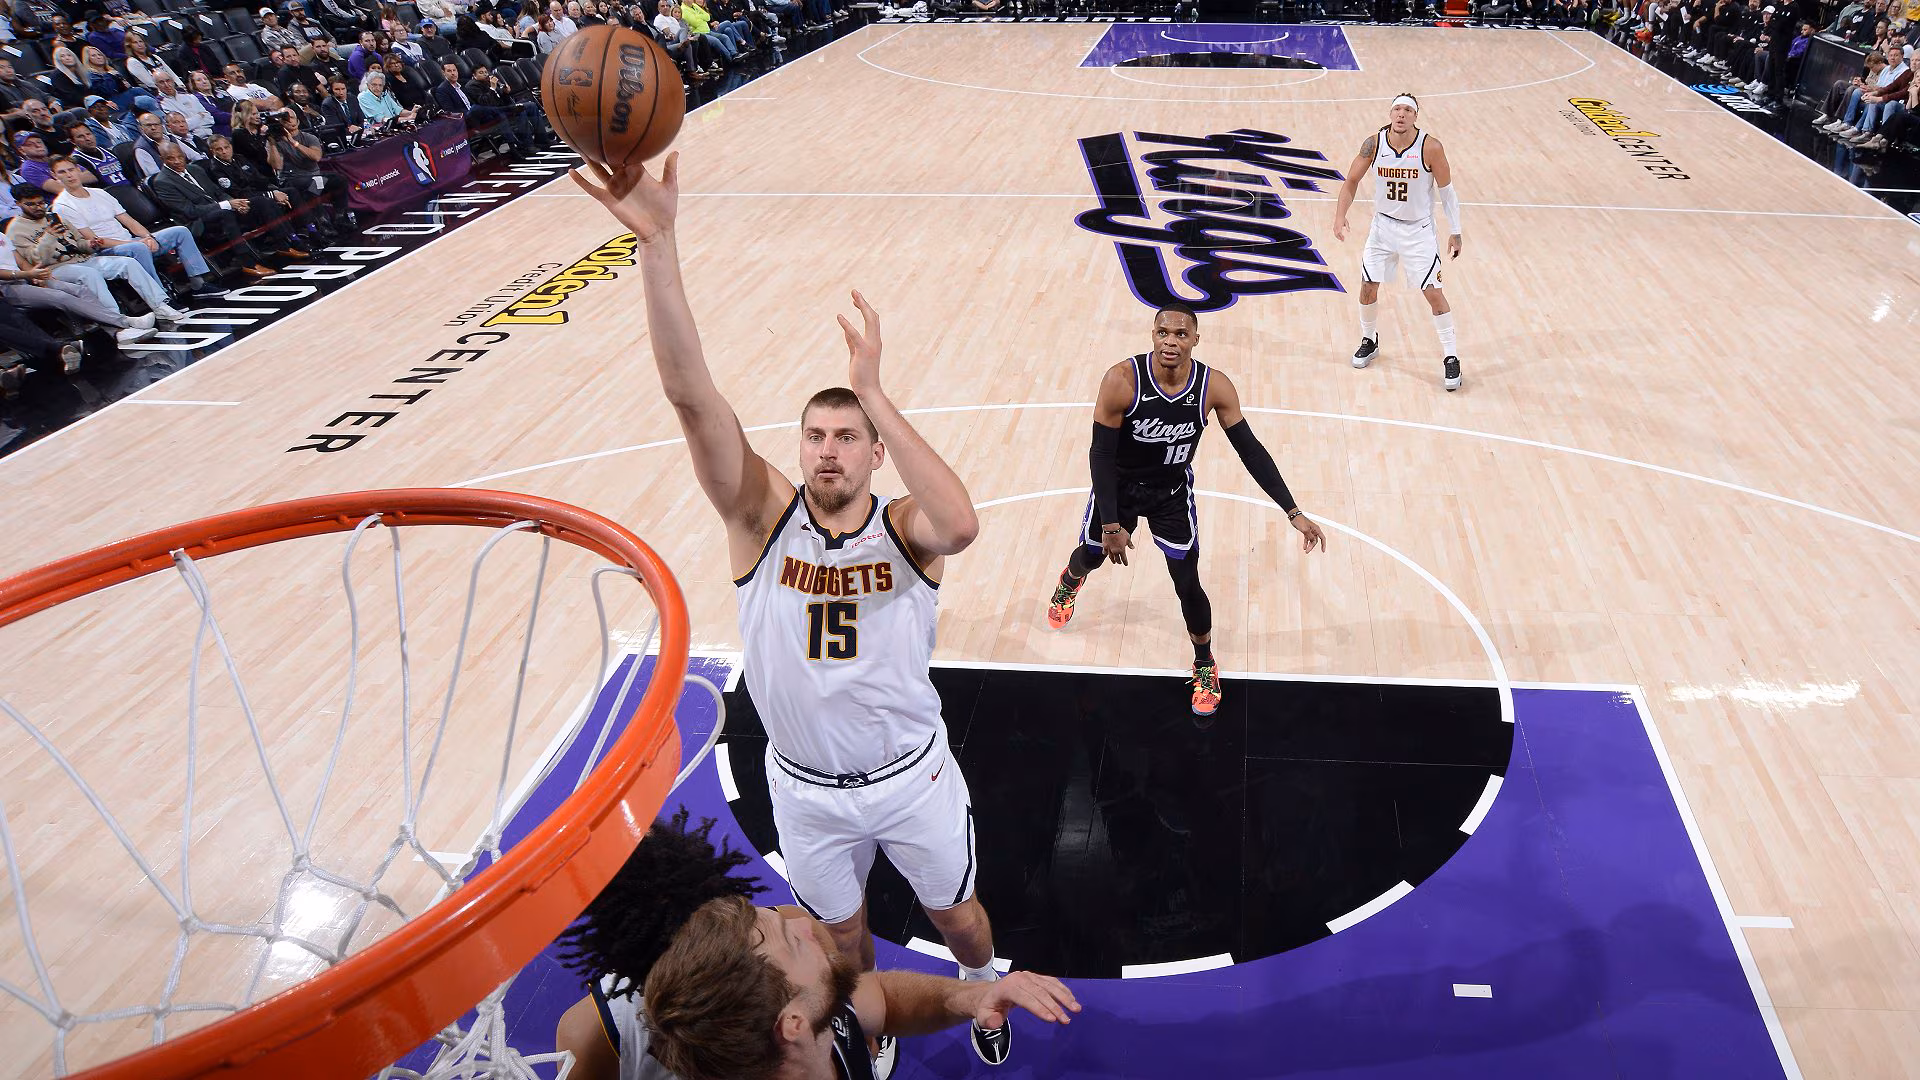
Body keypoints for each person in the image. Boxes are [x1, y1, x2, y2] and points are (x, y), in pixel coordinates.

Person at [573, 152, 1015, 1072]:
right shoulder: (760, 520)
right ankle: (867, 1027)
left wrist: (875, 391)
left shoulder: (905, 530)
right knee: (842, 943)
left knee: (960, 921)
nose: (828, 450)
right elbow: (691, 397)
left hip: (911, 775)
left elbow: (964, 524)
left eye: (848, 436)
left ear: (875, 452)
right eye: (815, 435)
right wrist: (659, 244)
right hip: (807, 790)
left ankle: (987, 984)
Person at [550, 809, 1081, 1080]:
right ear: (793, 1025)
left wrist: (969, 998)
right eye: (791, 940)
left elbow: (880, 999)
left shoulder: (791, 1010)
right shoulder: (598, 1039)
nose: (803, 923)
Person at [1043, 303, 1326, 715]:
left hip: (1170, 493)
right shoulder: (1122, 380)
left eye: (1180, 334)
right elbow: (1100, 454)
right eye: (1163, 333)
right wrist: (1111, 524)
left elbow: (1250, 450)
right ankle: (1070, 581)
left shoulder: (1214, 387)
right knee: (1091, 555)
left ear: (1195, 339)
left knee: (1187, 582)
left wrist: (1292, 510)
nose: (1170, 341)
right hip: (1120, 488)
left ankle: (1204, 664)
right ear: (1152, 335)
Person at [1332, 93, 1465, 392]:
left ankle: (1451, 356)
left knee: (1433, 293)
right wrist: (1340, 215)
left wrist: (1455, 231)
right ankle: (1370, 339)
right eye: (1397, 109)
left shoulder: (1430, 147)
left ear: (1416, 116)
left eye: (1407, 110)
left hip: (1418, 231)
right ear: (1390, 113)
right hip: (1383, 227)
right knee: (1368, 287)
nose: (1401, 114)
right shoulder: (1374, 144)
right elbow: (1351, 181)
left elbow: (1447, 192)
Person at [48, 156, 231, 294]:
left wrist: (148, 237)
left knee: (180, 232)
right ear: (54, 176)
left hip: (133, 241)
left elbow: (129, 221)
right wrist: (136, 243)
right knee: (139, 248)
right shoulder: (63, 206)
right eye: (62, 172)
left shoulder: (100, 193)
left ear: (78, 170)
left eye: (71, 169)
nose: (69, 175)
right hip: (106, 250)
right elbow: (94, 240)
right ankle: (161, 294)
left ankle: (199, 284)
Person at [6, 184, 188, 320]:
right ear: (18, 204)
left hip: (81, 259)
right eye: (31, 204)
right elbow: (36, 260)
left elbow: (78, 242)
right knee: (89, 274)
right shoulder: (15, 230)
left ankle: (160, 305)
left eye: (40, 203)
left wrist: (91, 244)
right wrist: (48, 237)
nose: (38, 207)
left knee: (128, 263)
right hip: (55, 269)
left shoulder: (54, 217)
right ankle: (117, 320)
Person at [0, 229, 159, 348]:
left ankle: (119, 332)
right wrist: (27, 274)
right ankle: (124, 322)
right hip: (7, 288)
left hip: (26, 277)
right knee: (61, 297)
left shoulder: (2, 235)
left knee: (81, 290)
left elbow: (21, 262)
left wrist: (35, 276)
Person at [145, 143, 278, 277]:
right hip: (197, 222)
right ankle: (248, 263)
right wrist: (227, 205)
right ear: (162, 159)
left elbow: (218, 192)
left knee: (260, 201)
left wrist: (237, 203)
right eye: (171, 158)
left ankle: (284, 243)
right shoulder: (162, 182)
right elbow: (190, 211)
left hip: (220, 210)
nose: (177, 161)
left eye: (180, 157)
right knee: (225, 214)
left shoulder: (195, 169)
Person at [63, 121, 162, 226]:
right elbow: (96, 187)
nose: (87, 138)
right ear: (73, 141)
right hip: (112, 200)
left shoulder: (107, 151)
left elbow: (128, 173)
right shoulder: (77, 161)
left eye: (88, 134)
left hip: (133, 192)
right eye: (80, 137)